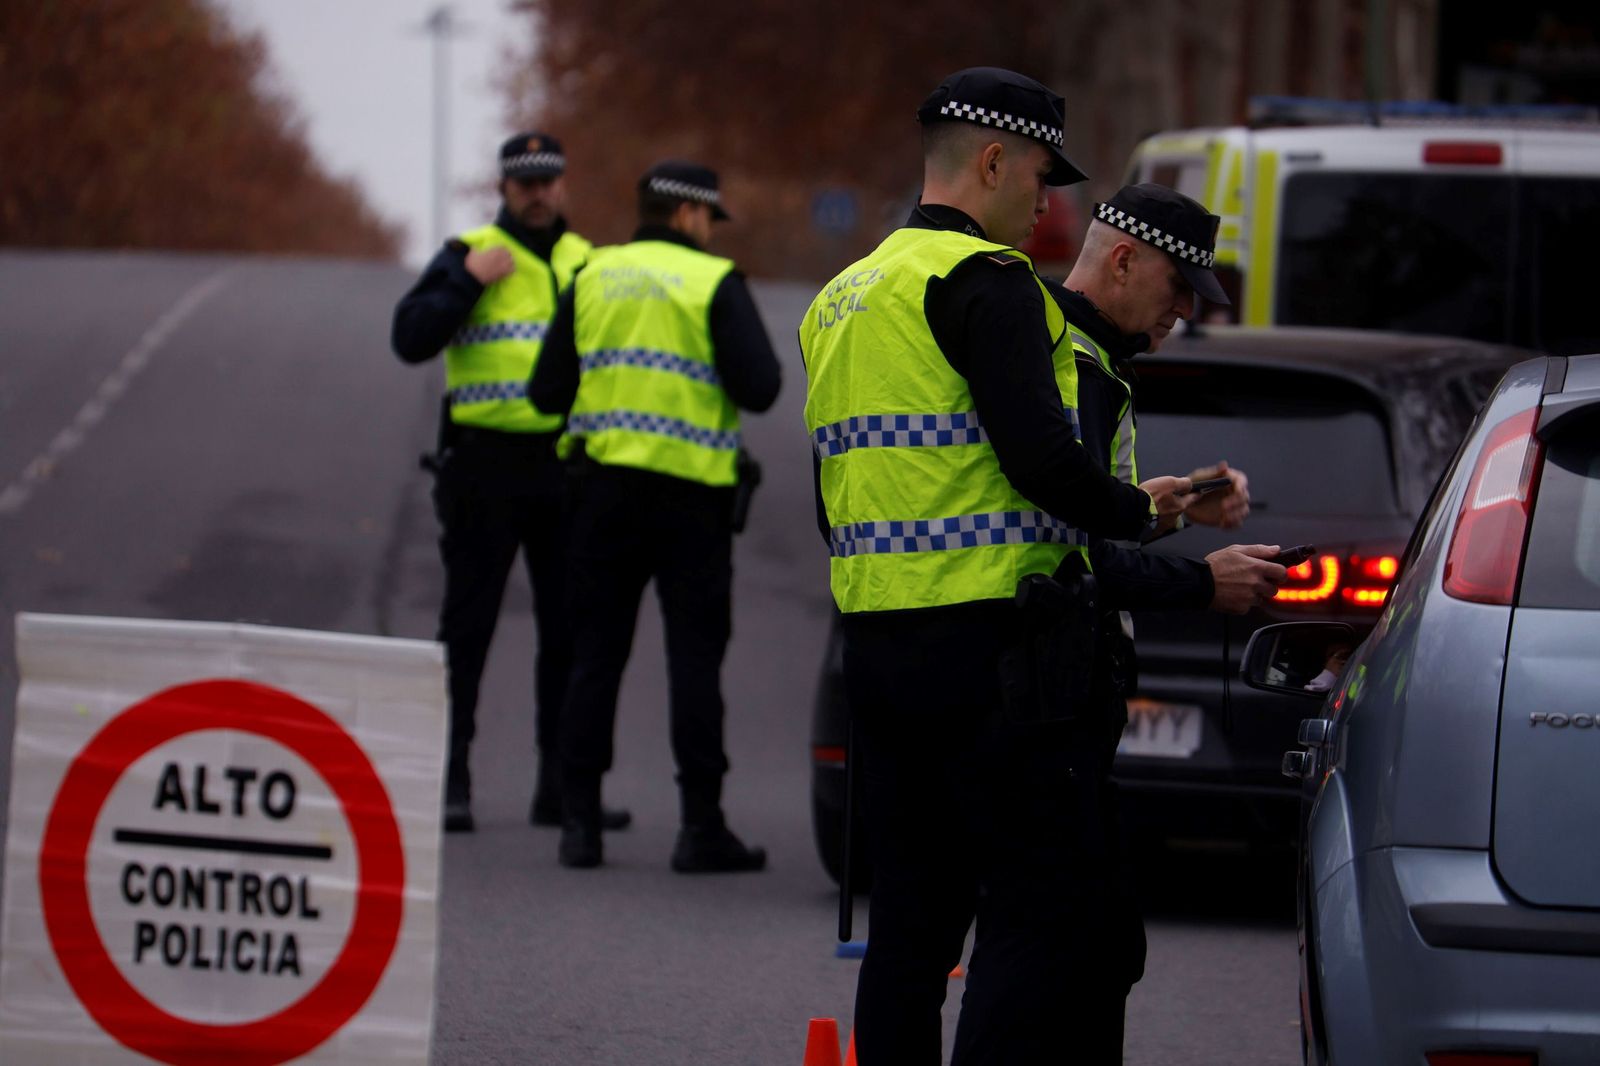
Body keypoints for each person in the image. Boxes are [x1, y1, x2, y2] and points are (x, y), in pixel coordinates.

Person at [799, 67, 1217, 1063]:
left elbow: (832, 505)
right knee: (1031, 920)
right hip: (994, 660)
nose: (1048, 202)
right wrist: (1138, 511)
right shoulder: (988, 285)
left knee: (907, 930)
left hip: (878, 658)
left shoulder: (840, 298)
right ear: (991, 159)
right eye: (1040, 176)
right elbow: (1042, 463)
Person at [1042, 182, 1292, 1009]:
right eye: (1178, 287)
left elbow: (1093, 522)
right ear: (1122, 259)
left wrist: (1174, 504)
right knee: (1068, 945)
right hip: (1051, 687)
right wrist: (1202, 583)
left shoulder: (1096, 357)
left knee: (1093, 942)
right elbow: (1063, 555)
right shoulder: (1075, 366)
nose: (1184, 309)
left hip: (1069, 687)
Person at [529, 160, 782, 872]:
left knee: (595, 658)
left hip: (600, 498)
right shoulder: (711, 282)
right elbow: (761, 388)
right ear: (688, 215)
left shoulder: (592, 277)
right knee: (694, 664)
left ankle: (580, 825)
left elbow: (547, 392)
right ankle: (700, 827)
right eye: (710, 219)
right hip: (692, 505)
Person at [391, 132, 629, 834]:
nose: (537, 191)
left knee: (568, 633)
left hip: (563, 469)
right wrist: (468, 282)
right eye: (524, 181)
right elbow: (409, 337)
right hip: (484, 468)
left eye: (548, 179)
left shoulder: (589, 261)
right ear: (503, 187)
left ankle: (558, 785)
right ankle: (451, 778)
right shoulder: (468, 254)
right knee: (467, 629)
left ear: (563, 185)